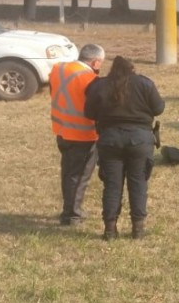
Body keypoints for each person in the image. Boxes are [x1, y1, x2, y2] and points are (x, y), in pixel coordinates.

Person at [84, 56, 165, 240]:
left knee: (112, 185)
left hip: (110, 139)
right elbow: (159, 108)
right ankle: (138, 229)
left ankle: (110, 230)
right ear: (132, 68)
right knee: (138, 183)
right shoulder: (144, 83)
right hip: (140, 139)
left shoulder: (100, 85)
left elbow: (88, 112)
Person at [49, 43, 105, 226]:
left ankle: (69, 208)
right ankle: (72, 214)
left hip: (61, 130)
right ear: (95, 62)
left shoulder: (58, 69)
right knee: (79, 176)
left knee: (68, 173)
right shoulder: (91, 80)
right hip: (83, 135)